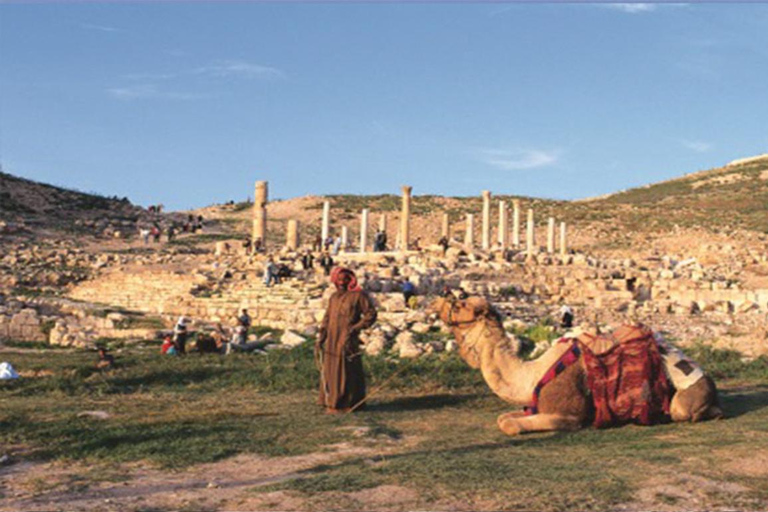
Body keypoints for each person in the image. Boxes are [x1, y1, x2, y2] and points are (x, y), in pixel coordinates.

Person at [316, 267, 377, 414]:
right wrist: (321, 336)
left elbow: (371, 314)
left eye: (345, 280)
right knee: (331, 369)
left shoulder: (358, 296)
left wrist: (355, 328)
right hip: (331, 338)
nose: (342, 282)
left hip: (347, 338)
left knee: (346, 370)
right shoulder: (334, 297)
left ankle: (348, 403)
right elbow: (327, 317)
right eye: (339, 280)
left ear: (350, 280)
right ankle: (332, 402)